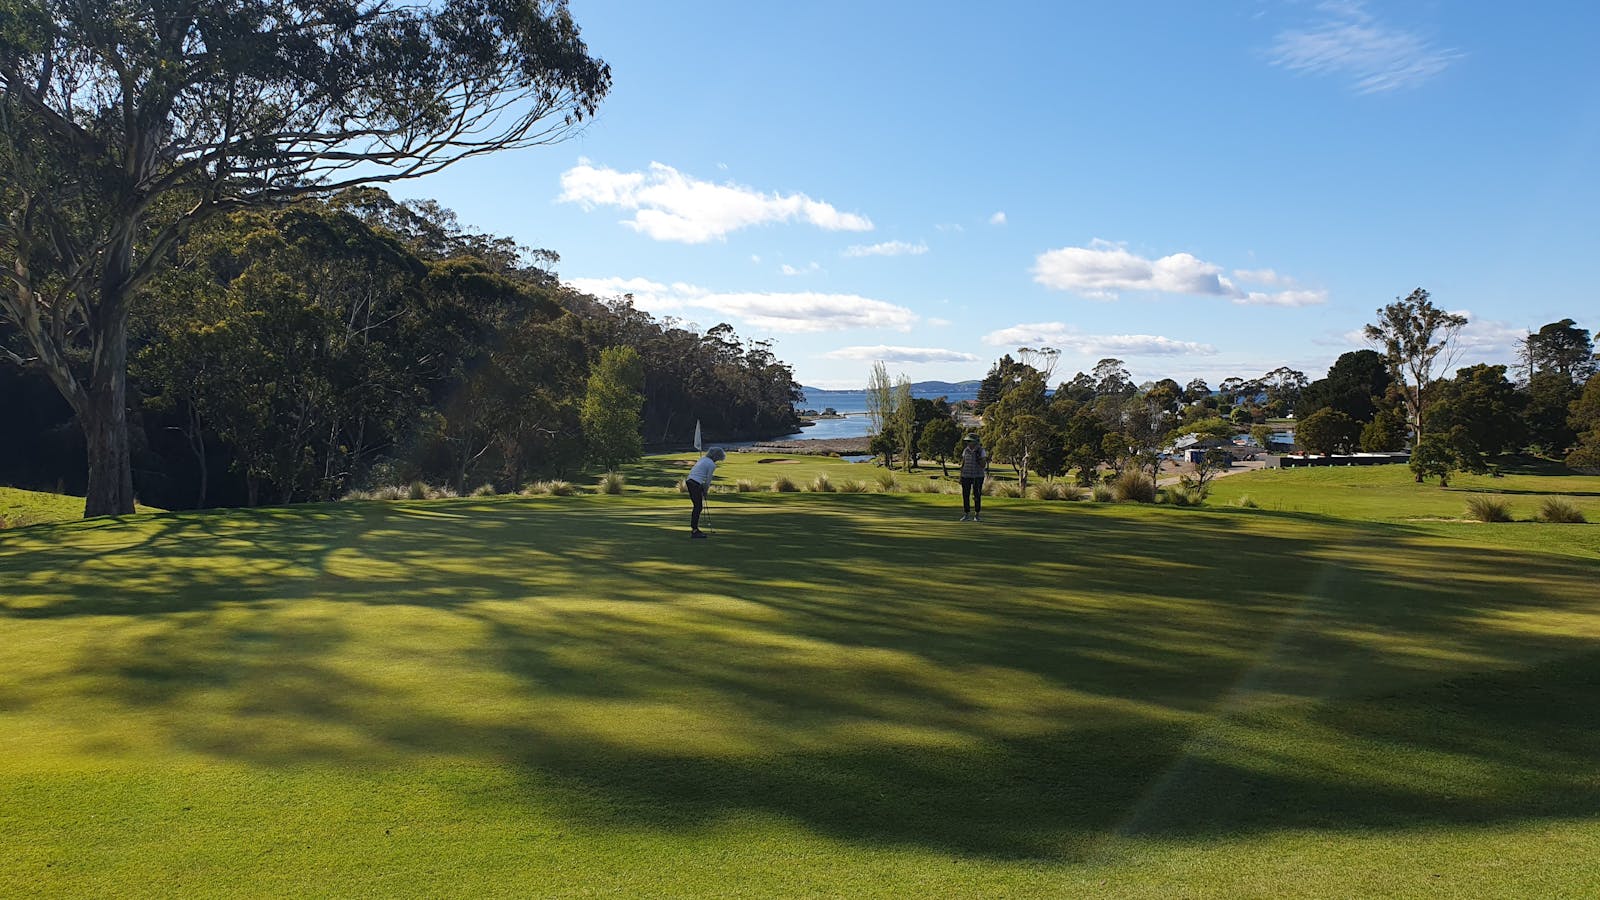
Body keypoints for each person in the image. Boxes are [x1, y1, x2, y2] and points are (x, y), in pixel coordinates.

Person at [685, 447, 724, 538]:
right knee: (698, 507)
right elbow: (708, 480)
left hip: (690, 481)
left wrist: (702, 489)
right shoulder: (711, 464)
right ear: (716, 456)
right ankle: (695, 531)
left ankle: (694, 529)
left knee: (698, 506)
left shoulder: (702, 459)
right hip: (695, 484)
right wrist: (705, 491)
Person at [959, 433, 987, 521]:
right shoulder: (965, 450)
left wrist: (978, 458)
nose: (968, 443)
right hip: (966, 475)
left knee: (976, 495)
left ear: (975, 442)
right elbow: (963, 463)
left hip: (977, 476)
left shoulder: (981, 451)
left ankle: (977, 515)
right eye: (967, 441)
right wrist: (961, 476)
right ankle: (966, 514)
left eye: (969, 441)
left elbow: (983, 465)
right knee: (965, 495)